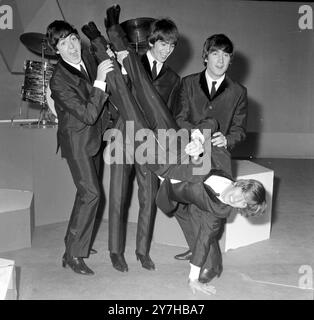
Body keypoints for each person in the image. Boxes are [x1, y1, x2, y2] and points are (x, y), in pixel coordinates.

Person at [81, 6, 266, 295]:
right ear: (242, 185)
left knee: (128, 103)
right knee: (138, 84)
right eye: (242, 196)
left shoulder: (217, 212)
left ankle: (96, 40)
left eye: (241, 206)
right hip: (172, 135)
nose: (236, 201)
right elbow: (209, 120)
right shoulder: (220, 160)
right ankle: (112, 31)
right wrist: (199, 138)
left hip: (158, 158)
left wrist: (193, 278)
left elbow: (205, 237)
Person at [172, 33, 249, 284]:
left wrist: (228, 139)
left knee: (203, 210)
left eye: (226, 55)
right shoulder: (188, 83)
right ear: (205, 56)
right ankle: (196, 247)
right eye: (215, 53)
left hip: (217, 159)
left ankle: (212, 264)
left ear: (230, 60)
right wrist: (196, 134)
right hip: (189, 150)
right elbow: (179, 117)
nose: (220, 59)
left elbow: (239, 129)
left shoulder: (238, 91)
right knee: (177, 204)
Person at [107, 16, 180, 272]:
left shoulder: (173, 78)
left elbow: (170, 114)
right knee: (118, 195)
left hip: (150, 144)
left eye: (171, 46)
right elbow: (114, 89)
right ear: (151, 41)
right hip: (122, 136)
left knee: (148, 197)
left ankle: (142, 251)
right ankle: (115, 251)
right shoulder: (130, 61)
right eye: (163, 44)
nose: (167, 51)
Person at [46, 20, 114, 275]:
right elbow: (87, 114)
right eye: (64, 44)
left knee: (86, 194)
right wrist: (99, 81)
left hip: (94, 139)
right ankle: (73, 254)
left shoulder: (86, 57)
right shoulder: (58, 81)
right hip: (77, 143)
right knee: (92, 194)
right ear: (57, 51)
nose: (72, 46)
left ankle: (75, 241)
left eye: (73, 39)